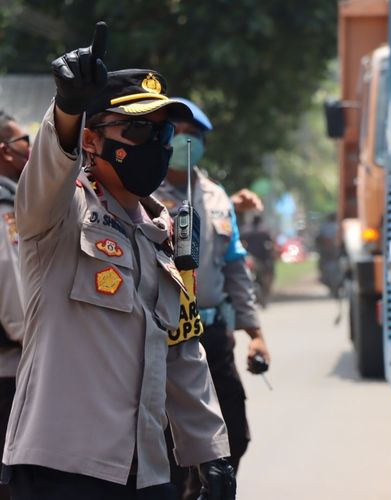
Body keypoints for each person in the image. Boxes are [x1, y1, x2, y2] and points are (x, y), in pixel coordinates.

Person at [0, 23, 235, 499]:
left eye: (163, 131)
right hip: (61, 470)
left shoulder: (163, 232)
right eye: (137, 129)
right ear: (90, 140)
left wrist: (211, 453)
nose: (157, 143)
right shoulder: (59, 216)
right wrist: (67, 109)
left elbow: (182, 350)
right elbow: (49, 167)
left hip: (145, 470)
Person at [153, 98, 271, 497]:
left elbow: (235, 267)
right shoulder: (142, 193)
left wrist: (254, 332)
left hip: (214, 333)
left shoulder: (218, 197)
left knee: (234, 434)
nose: (187, 142)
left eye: (195, 136)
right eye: (178, 133)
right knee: (171, 445)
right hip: (167, 333)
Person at [0, 110, 30, 500]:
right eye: (25, 143)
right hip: (9, 367)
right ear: (5, 151)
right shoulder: (5, 202)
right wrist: (31, 339)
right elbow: (9, 274)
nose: (30, 151)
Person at [241, 214, 276, 307]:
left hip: (252, 258)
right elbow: (271, 243)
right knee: (268, 276)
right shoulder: (264, 230)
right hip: (262, 260)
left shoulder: (246, 230)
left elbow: (241, 242)